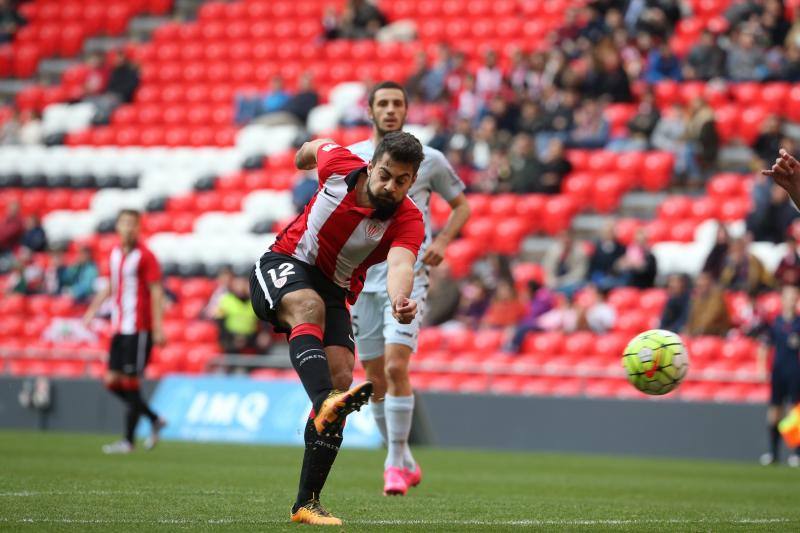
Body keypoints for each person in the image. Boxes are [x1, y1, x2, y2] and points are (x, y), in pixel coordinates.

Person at [249, 131, 425, 525]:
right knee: (307, 309)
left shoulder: (410, 219)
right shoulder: (338, 166)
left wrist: (400, 300)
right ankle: (324, 399)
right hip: (284, 262)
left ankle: (306, 503)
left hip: (335, 289)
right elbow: (314, 147)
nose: (390, 186)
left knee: (342, 377)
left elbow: (400, 265)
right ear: (370, 165)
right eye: (385, 175)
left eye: (402, 180)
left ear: (412, 181)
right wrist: (301, 159)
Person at [347, 81, 470, 496]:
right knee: (374, 378)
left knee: (398, 368)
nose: (390, 109)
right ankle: (402, 456)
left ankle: (393, 463)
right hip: (363, 281)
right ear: (370, 110)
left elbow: (463, 205)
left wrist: (442, 241)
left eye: (397, 103)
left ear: (405, 109)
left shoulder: (429, 160)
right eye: (382, 103)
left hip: (410, 274)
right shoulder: (357, 158)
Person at [83, 210, 166, 454]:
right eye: (124, 223)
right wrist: (92, 310)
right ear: (117, 226)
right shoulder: (115, 254)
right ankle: (153, 419)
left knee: (130, 383)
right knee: (111, 382)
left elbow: (156, 291)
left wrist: (158, 328)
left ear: (138, 228)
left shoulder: (145, 255)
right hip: (119, 326)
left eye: (132, 224)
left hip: (138, 328)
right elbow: (110, 285)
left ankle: (128, 441)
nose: (128, 228)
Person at [760, 285, 800, 467]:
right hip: (778, 371)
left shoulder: (799, 323)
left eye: (794, 297)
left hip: (795, 371)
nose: (791, 300)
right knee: (775, 412)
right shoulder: (775, 322)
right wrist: (761, 368)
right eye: (788, 296)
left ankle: (796, 453)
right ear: (782, 299)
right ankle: (773, 453)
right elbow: (765, 345)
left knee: (795, 412)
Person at [216, 275, 270, 354]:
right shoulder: (225, 300)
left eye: (243, 284)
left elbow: (264, 320)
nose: (240, 287)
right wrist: (232, 338)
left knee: (263, 343)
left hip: (251, 336)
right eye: (238, 284)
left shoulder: (255, 301)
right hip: (231, 336)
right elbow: (219, 323)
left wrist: (264, 333)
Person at [684, 272, 731, 337]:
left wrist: (698, 331)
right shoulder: (697, 299)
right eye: (698, 286)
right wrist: (688, 332)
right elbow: (691, 319)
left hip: (714, 335)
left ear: (710, 284)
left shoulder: (717, 298)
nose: (699, 287)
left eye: (702, 285)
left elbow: (711, 318)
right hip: (698, 335)